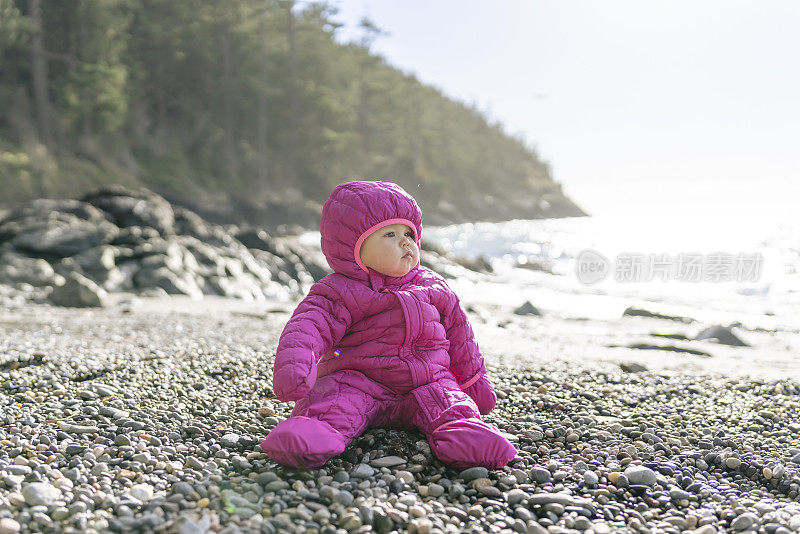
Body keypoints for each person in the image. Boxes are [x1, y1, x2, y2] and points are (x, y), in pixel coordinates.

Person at [260, 180, 517, 469]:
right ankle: (311, 436)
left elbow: (461, 338)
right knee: (334, 403)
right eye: (390, 234)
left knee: (450, 404)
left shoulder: (434, 287)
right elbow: (307, 328)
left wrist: (473, 383)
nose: (405, 241)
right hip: (360, 381)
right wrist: (294, 370)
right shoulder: (339, 291)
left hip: (428, 382)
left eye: (409, 233)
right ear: (353, 248)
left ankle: (468, 437)